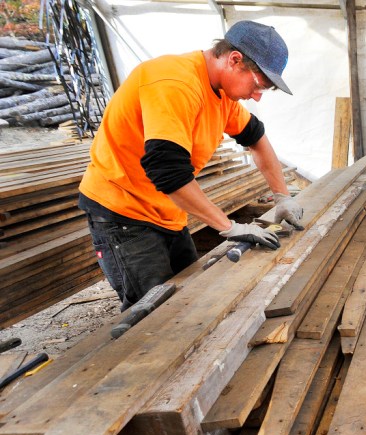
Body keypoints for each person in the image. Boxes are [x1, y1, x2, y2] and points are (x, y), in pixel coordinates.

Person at [78, 20, 304, 310]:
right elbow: (168, 173)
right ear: (234, 60)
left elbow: (257, 138)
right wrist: (230, 227)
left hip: (168, 211)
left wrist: (282, 196)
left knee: (190, 297)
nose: (257, 95)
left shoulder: (221, 93)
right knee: (154, 315)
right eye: (259, 84)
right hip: (124, 214)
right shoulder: (175, 83)